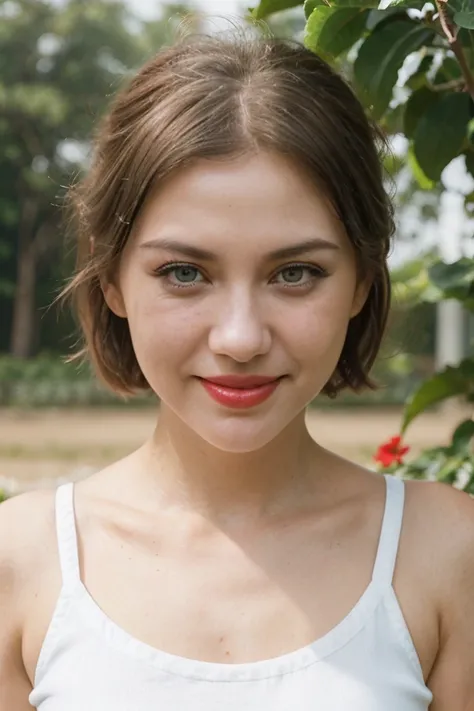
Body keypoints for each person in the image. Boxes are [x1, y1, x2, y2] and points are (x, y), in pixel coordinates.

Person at [1, 30, 473, 711]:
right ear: (112, 280)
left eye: (295, 273)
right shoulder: (20, 561)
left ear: (363, 282)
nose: (241, 337)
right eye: (185, 273)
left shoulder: (450, 555)